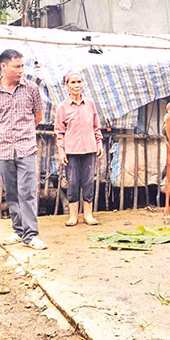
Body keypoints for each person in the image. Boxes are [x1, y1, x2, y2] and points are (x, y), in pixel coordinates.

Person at [0, 49, 47, 250]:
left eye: (22, 66)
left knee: (27, 192)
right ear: (4, 66)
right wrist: (4, 133)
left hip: (26, 147)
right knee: (11, 192)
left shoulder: (31, 89)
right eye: (16, 66)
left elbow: (38, 116)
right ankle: (18, 231)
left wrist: (24, 132)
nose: (21, 70)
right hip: (3, 150)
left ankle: (30, 235)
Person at [54, 71, 103, 226]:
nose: (76, 85)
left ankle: (88, 215)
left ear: (83, 84)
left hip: (89, 148)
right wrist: (61, 151)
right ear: (66, 85)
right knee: (73, 182)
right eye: (73, 82)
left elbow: (96, 126)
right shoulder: (62, 107)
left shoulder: (90, 104)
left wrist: (99, 143)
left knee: (88, 182)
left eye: (79, 82)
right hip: (72, 150)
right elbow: (59, 131)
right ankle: (73, 216)